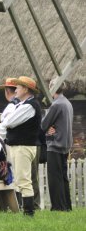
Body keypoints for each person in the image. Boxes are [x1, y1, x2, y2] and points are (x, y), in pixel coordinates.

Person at [0, 76, 41, 216]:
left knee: (24, 180)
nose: (16, 90)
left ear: (26, 89)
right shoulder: (22, 104)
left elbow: (9, 121)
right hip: (19, 146)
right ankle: (26, 210)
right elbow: (6, 120)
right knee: (20, 179)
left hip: (24, 146)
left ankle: (29, 212)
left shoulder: (29, 106)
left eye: (19, 87)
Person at [41, 80, 73, 211]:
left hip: (55, 144)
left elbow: (43, 125)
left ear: (51, 89)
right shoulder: (67, 103)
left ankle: (58, 207)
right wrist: (52, 127)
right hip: (65, 145)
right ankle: (66, 206)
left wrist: (49, 127)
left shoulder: (56, 104)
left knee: (55, 178)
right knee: (63, 177)